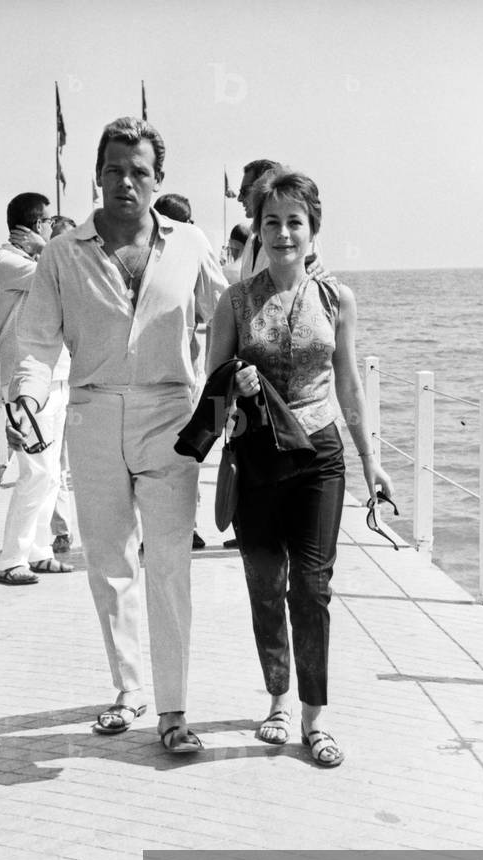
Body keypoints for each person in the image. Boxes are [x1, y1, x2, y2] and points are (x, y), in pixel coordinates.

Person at [10, 116, 227, 753]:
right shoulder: (60, 253)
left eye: (139, 171)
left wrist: (220, 409)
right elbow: (35, 342)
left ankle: (174, 711)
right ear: (96, 176)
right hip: (92, 414)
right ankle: (128, 690)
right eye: (113, 170)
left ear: (158, 179)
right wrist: (25, 396)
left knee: (168, 567)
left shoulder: (189, 243)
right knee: (109, 566)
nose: (126, 182)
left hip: (171, 415)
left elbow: (230, 317)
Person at [205, 168, 393, 767]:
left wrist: (373, 464)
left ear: (313, 230)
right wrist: (231, 394)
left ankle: (315, 717)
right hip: (258, 459)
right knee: (265, 585)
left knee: (311, 588)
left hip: (319, 456)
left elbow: (349, 384)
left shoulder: (337, 298)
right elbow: (211, 391)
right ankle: (278, 702)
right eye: (272, 222)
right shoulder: (233, 301)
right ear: (257, 231)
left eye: (295, 222)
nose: (284, 233)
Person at [0, 192, 73, 585]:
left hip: (53, 378)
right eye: (47, 223)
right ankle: (10, 559)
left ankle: (37, 552)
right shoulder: (7, 263)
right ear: (34, 225)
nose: (50, 230)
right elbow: (61, 274)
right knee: (35, 472)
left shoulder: (29, 261)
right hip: (24, 385)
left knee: (51, 474)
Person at [153, 192, 207, 551]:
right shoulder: (191, 253)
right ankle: (185, 526)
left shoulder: (185, 252)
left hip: (188, 375)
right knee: (185, 455)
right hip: (190, 376)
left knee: (179, 455)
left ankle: (185, 526)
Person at [46, 214, 78, 555]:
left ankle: (64, 527)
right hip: (51, 380)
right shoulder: (46, 277)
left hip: (81, 378)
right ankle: (59, 530)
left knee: (69, 462)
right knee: (52, 464)